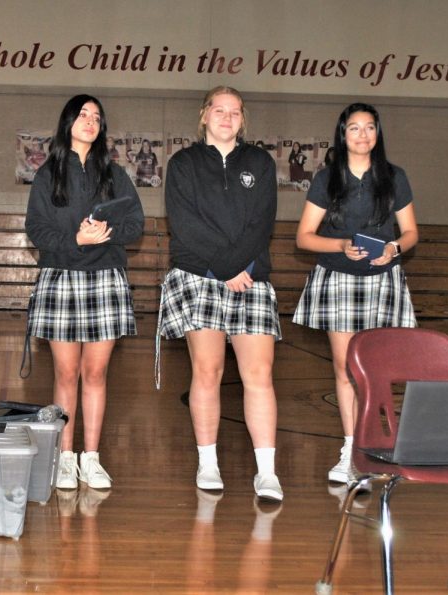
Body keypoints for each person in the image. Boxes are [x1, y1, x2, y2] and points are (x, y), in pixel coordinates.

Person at [158, 86, 283, 501]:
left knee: (259, 375)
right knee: (207, 371)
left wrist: (239, 267)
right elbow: (185, 223)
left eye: (235, 111)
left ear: (243, 120)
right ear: (204, 114)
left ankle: (267, 472)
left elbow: (262, 222)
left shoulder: (260, 162)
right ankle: (208, 462)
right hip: (200, 276)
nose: (226, 117)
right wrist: (222, 267)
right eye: (219, 109)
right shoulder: (183, 163)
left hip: (250, 277)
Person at [292, 102, 418, 485]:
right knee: (346, 368)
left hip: (383, 281)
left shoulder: (394, 177)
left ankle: (373, 448)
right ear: (342, 134)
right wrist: (341, 245)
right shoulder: (327, 179)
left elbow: (411, 233)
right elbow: (304, 237)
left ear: (378, 133)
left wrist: (393, 248)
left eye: (369, 128)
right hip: (339, 279)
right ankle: (350, 450)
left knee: (376, 371)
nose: (362, 135)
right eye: (354, 128)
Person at [25, 94, 144, 490]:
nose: (90, 121)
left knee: (95, 373)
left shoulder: (115, 173)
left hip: (105, 277)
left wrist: (104, 235)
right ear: (67, 123)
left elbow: (135, 224)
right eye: (82, 114)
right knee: (66, 372)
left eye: (96, 116)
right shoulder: (47, 175)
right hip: (60, 276)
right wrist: (75, 238)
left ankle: (91, 459)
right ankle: (64, 457)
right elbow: (37, 230)